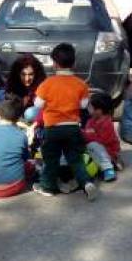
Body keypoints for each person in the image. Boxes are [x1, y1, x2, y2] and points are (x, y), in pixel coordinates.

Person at [32, 43, 98, 201]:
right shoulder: (80, 84)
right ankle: (86, 182)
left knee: (51, 159)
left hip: (52, 128)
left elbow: (37, 105)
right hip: (73, 128)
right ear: (74, 63)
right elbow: (83, 105)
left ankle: (47, 187)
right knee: (75, 159)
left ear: (54, 63)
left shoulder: (47, 84)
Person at [82, 93, 121, 182]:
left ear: (99, 110)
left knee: (93, 145)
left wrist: (88, 136)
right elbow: (88, 133)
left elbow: (104, 140)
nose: (88, 109)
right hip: (94, 149)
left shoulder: (107, 123)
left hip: (108, 150)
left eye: (90, 107)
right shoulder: (90, 121)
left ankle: (108, 169)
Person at [0, 54, 47, 122]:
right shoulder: (13, 83)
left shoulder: (42, 85)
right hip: (19, 111)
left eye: (31, 74)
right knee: (0, 95)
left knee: (30, 113)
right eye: (23, 74)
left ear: (36, 74)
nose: (27, 79)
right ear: (17, 74)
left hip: (35, 112)